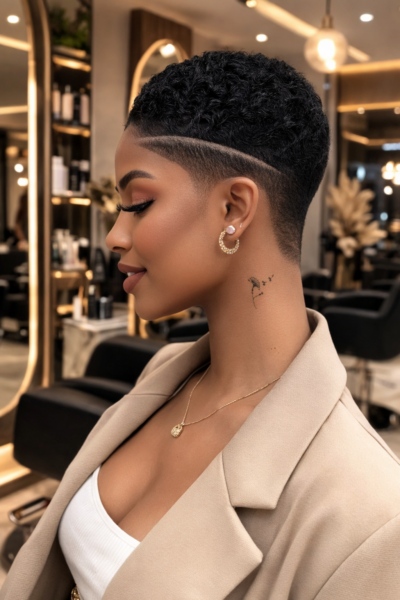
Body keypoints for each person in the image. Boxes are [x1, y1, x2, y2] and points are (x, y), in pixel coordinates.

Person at [2, 51, 400, 600]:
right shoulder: (167, 373)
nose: (115, 235)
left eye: (139, 203)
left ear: (234, 209)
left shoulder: (370, 517)